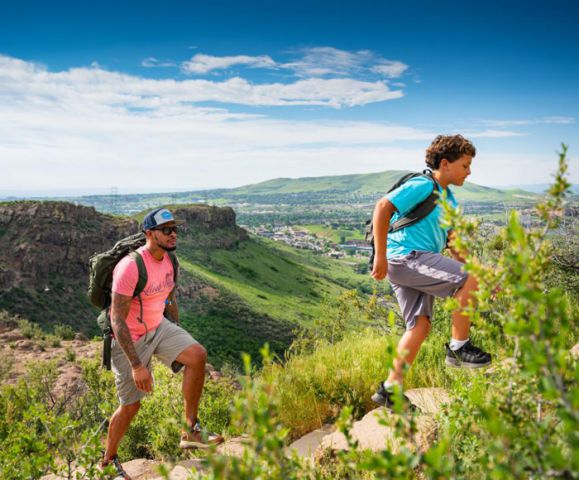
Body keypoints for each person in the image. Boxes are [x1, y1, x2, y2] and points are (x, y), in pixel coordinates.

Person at [370, 134, 492, 409]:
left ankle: (389, 389)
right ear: (446, 164)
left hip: (413, 262)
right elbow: (383, 207)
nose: (469, 171)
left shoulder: (449, 200)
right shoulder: (423, 185)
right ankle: (459, 347)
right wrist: (380, 256)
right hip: (406, 258)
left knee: (420, 326)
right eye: (465, 165)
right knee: (469, 278)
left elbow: (455, 246)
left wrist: (482, 273)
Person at [101, 207, 224, 479]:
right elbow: (117, 320)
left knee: (197, 355)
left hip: (159, 326)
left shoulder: (170, 260)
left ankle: (190, 430)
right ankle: (108, 461)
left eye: (175, 229)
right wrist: (136, 365)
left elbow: (169, 297)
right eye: (166, 230)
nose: (173, 234)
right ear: (149, 234)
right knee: (131, 405)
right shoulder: (130, 266)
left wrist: (176, 331)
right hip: (130, 338)